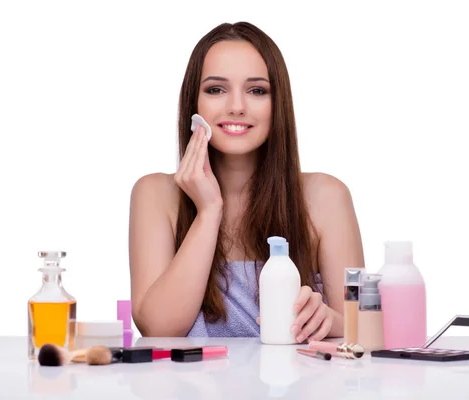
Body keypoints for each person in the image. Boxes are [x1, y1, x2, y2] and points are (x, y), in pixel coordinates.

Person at [128, 21, 365, 342]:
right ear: (193, 104)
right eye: (215, 89)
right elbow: (158, 329)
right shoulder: (154, 194)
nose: (237, 107)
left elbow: (361, 326)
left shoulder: (326, 196)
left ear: (277, 104)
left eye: (257, 90)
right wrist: (208, 211)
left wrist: (328, 321)